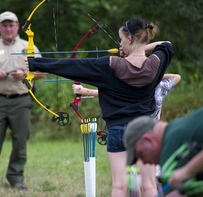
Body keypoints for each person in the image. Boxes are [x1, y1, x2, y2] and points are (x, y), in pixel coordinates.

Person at [27, 18, 174, 197]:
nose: (120, 43)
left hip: (118, 130)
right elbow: (166, 44)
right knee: (148, 185)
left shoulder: (108, 65)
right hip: (146, 129)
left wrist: (35, 64)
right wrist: (142, 48)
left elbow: (72, 66)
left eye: (121, 39)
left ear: (128, 38)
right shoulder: (158, 62)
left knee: (119, 186)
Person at [0, 11, 44, 193]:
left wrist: (25, 74)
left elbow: (43, 72)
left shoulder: (28, 46)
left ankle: (16, 178)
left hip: (21, 100)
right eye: (4, 25)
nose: (8, 28)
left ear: (17, 26)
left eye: (11, 25)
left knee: (20, 141)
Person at [123, 107, 203, 197]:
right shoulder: (178, 126)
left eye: (141, 155)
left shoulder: (170, 153)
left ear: (148, 140)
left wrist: (186, 172)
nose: (145, 162)